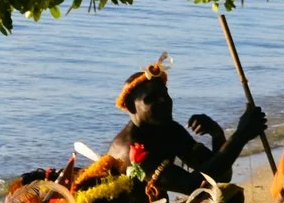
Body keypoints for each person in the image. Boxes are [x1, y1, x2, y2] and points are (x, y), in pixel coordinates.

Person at [107, 57, 267, 189]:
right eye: (151, 99)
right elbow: (191, 185)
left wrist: (217, 134)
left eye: (165, 95)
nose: (163, 101)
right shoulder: (131, 149)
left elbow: (221, 177)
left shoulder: (169, 130)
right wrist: (241, 136)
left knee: (230, 196)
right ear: (130, 107)